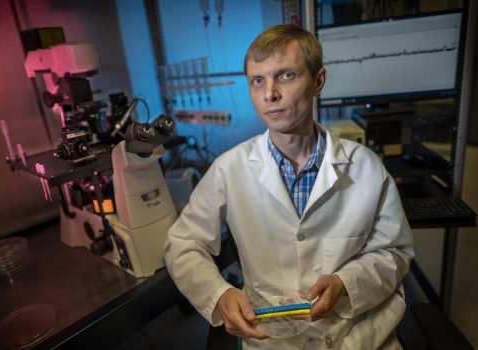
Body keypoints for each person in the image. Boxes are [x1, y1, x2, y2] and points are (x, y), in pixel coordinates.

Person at [163, 24, 414, 349]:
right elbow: (183, 244)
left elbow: (395, 250)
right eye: (257, 80)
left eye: (286, 76)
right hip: (272, 339)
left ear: (318, 81)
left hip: (359, 336)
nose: (269, 94)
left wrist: (346, 284)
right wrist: (219, 293)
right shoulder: (229, 169)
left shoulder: (366, 167)